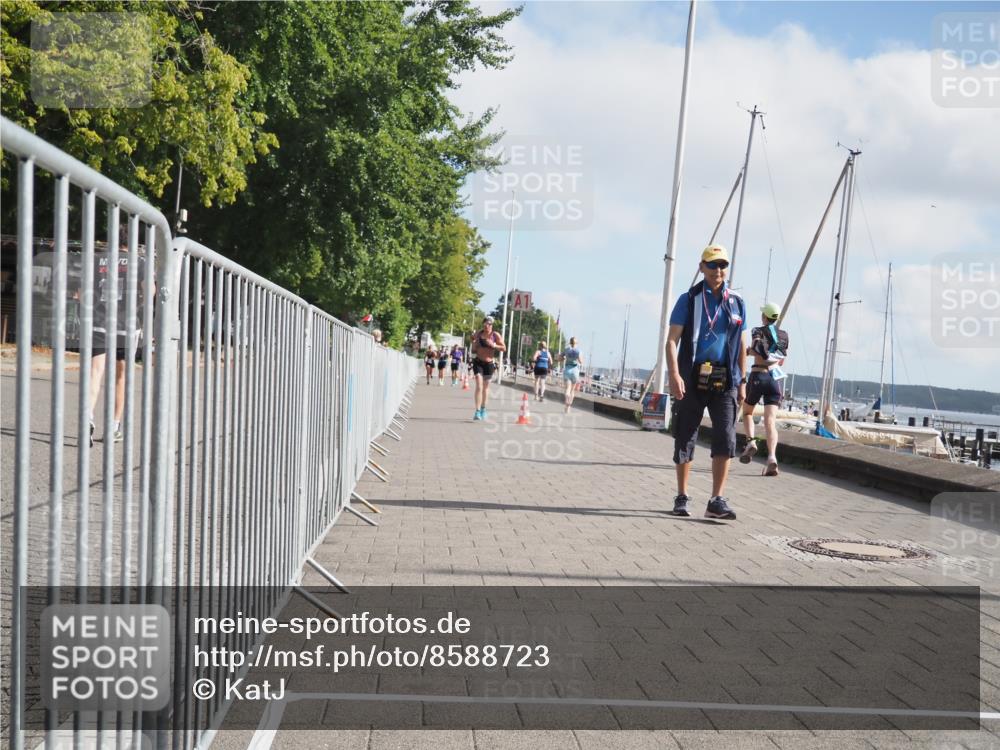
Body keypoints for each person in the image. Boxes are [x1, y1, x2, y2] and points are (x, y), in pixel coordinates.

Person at [665, 244, 748, 520]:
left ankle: (716, 500)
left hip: (725, 381)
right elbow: (671, 341)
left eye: (723, 265)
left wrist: (743, 380)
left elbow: (742, 344)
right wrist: (675, 375)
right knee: (686, 435)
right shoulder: (688, 300)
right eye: (713, 265)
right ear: (701, 267)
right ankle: (682, 495)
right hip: (692, 377)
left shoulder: (736, 302)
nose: (718, 270)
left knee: (725, 436)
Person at [86, 226, 148, 446]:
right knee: (120, 376)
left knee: (95, 372)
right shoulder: (139, 263)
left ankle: (88, 417)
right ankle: (113, 427)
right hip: (126, 324)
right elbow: (149, 292)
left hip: (101, 322)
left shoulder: (99, 260)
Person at [740, 302, 789, 476]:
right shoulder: (783, 335)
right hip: (774, 380)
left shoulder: (758, 331)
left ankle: (751, 442)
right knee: (770, 422)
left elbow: (759, 350)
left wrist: (748, 352)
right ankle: (772, 458)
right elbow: (780, 358)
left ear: (764, 317)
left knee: (747, 412)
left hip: (758, 376)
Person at [470, 316, 506, 420]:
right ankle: (477, 411)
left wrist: (494, 345)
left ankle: (483, 409)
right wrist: (473, 344)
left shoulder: (495, 335)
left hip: (489, 364)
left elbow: (504, 348)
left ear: (492, 325)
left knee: (485, 388)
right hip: (478, 362)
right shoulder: (479, 334)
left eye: (489, 324)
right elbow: (472, 341)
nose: (487, 326)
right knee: (479, 386)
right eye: (485, 324)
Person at [558, 337, 584, 413]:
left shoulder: (566, 350)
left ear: (570, 342)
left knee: (567, 389)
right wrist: (578, 359)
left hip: (567, 370)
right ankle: (569, 406)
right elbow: (581, 361)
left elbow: (559, 358)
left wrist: (563, 358)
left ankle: (566, 401)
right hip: (575, 371)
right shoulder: (578, 351)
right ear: (576, 343)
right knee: (572, 390)